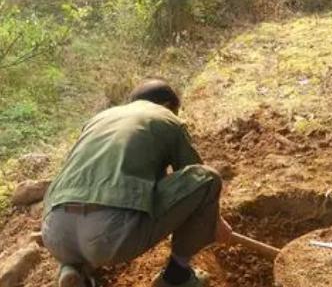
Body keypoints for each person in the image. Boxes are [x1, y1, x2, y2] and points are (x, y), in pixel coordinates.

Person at [41, 79, 231, 287]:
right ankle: (177, 276)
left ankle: (73, 268)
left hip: (54, 233)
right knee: (209, 178)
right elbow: (196, 178)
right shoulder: (166, 118)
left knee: (85, 232)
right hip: (108, 236)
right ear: (168, 106)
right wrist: (216, 223)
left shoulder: (98, 119)